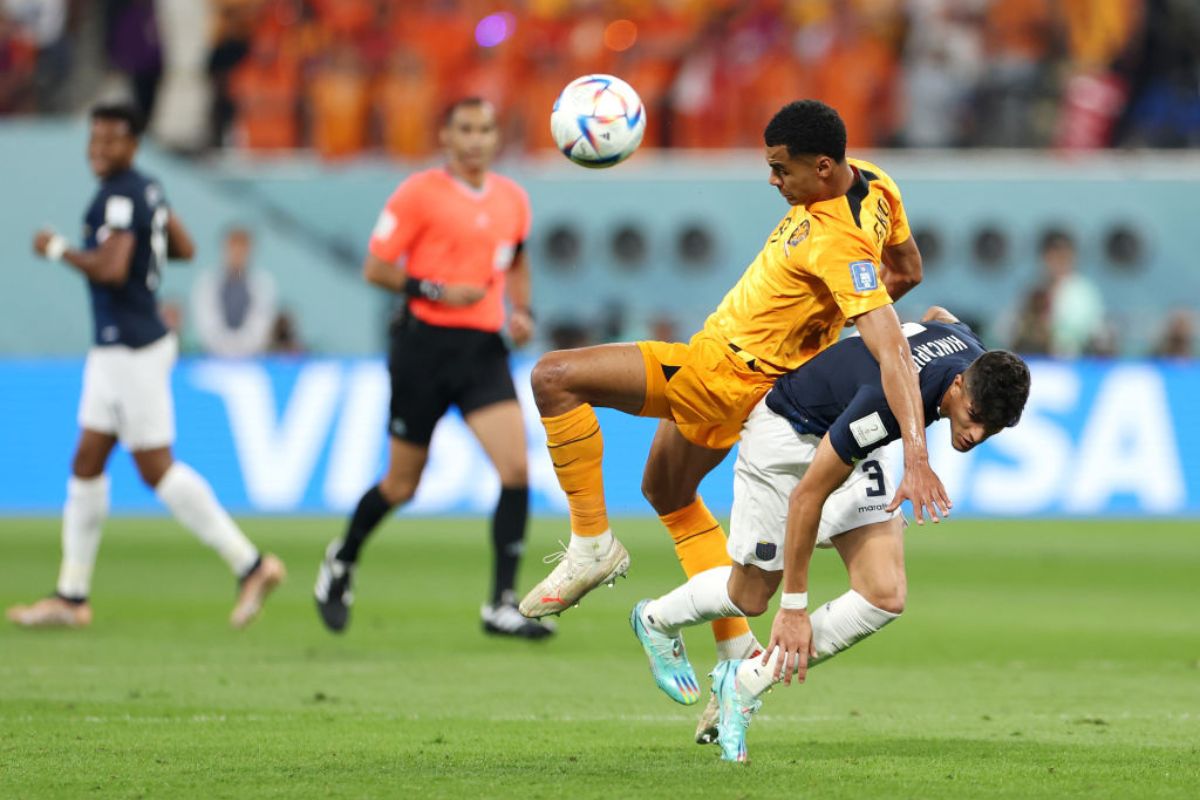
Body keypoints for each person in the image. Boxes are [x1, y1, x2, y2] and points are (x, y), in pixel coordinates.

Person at [520, 100, 944, 673]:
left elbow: (891, 346)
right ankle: (734, 649)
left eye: (781, 169)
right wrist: (824, 323)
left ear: (821, 167)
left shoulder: (837, 241)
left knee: (554, 378)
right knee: (667, 492)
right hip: (757, 379)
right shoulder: (876, 186)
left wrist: (916, 453)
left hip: (720, 374)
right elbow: (908, 270)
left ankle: (591, 546)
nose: (773, 180)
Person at [629, 307, 1030, 762]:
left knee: (885, 594)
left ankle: (742, 683)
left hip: (854, 441)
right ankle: (655, 620)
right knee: (752, 597)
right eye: (975, 416)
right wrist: (794, 608)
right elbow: (807, 498)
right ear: (958, 386)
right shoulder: (884, 407)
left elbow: (940, 316)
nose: (976, 434)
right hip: (787, 437)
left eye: (992, 429)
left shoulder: (971, 352)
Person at [6, 103, 285, 630]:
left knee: (156, 468)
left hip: (129, 348)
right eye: (94, 140)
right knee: (87, 460)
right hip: (124, 346)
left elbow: (110, 269)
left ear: (132, 144)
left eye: (111, 141)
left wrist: (57, 248)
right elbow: (183, 245)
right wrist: (143, 257)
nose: (99, 150)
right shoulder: (148, 188)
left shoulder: (117, 196)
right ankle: (71, 595)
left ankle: (249, 563)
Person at [313, 97, 553, 640]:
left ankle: (501, 603)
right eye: (465, 129)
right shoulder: (418, 194)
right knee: (401, 485)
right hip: (423, 349)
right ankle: (343, 558)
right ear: (445, 136)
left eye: (485, 129)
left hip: (482, 352)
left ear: (497, 138)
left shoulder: (513, 199)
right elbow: (376, 268)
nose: (475, 139)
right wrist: (437, 289)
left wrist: (523, 311)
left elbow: (517, 258)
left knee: (515, 470)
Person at [191, 226, 278, 357]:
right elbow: (207, 324)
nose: (237, 253)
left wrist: (240, 349)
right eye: (233, 247)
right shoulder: (207, 283)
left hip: (252, 360)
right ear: (224, 249)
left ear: (250, 251)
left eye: (242, 249)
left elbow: (261, 325)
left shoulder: (263, 285)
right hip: (212, 358)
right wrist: (225, 348)